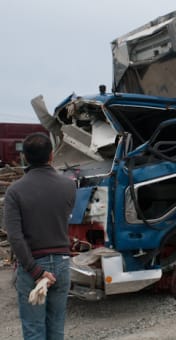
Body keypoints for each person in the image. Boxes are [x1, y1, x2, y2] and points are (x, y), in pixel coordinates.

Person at [4, 132, 76, 340]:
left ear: (25, 157)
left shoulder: (15, 191)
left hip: (32, 266)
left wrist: (36, 272)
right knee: (56, 328)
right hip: (62, 265)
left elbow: (15, 237)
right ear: (52, 155)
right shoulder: (69, 186)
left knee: (34, 329)